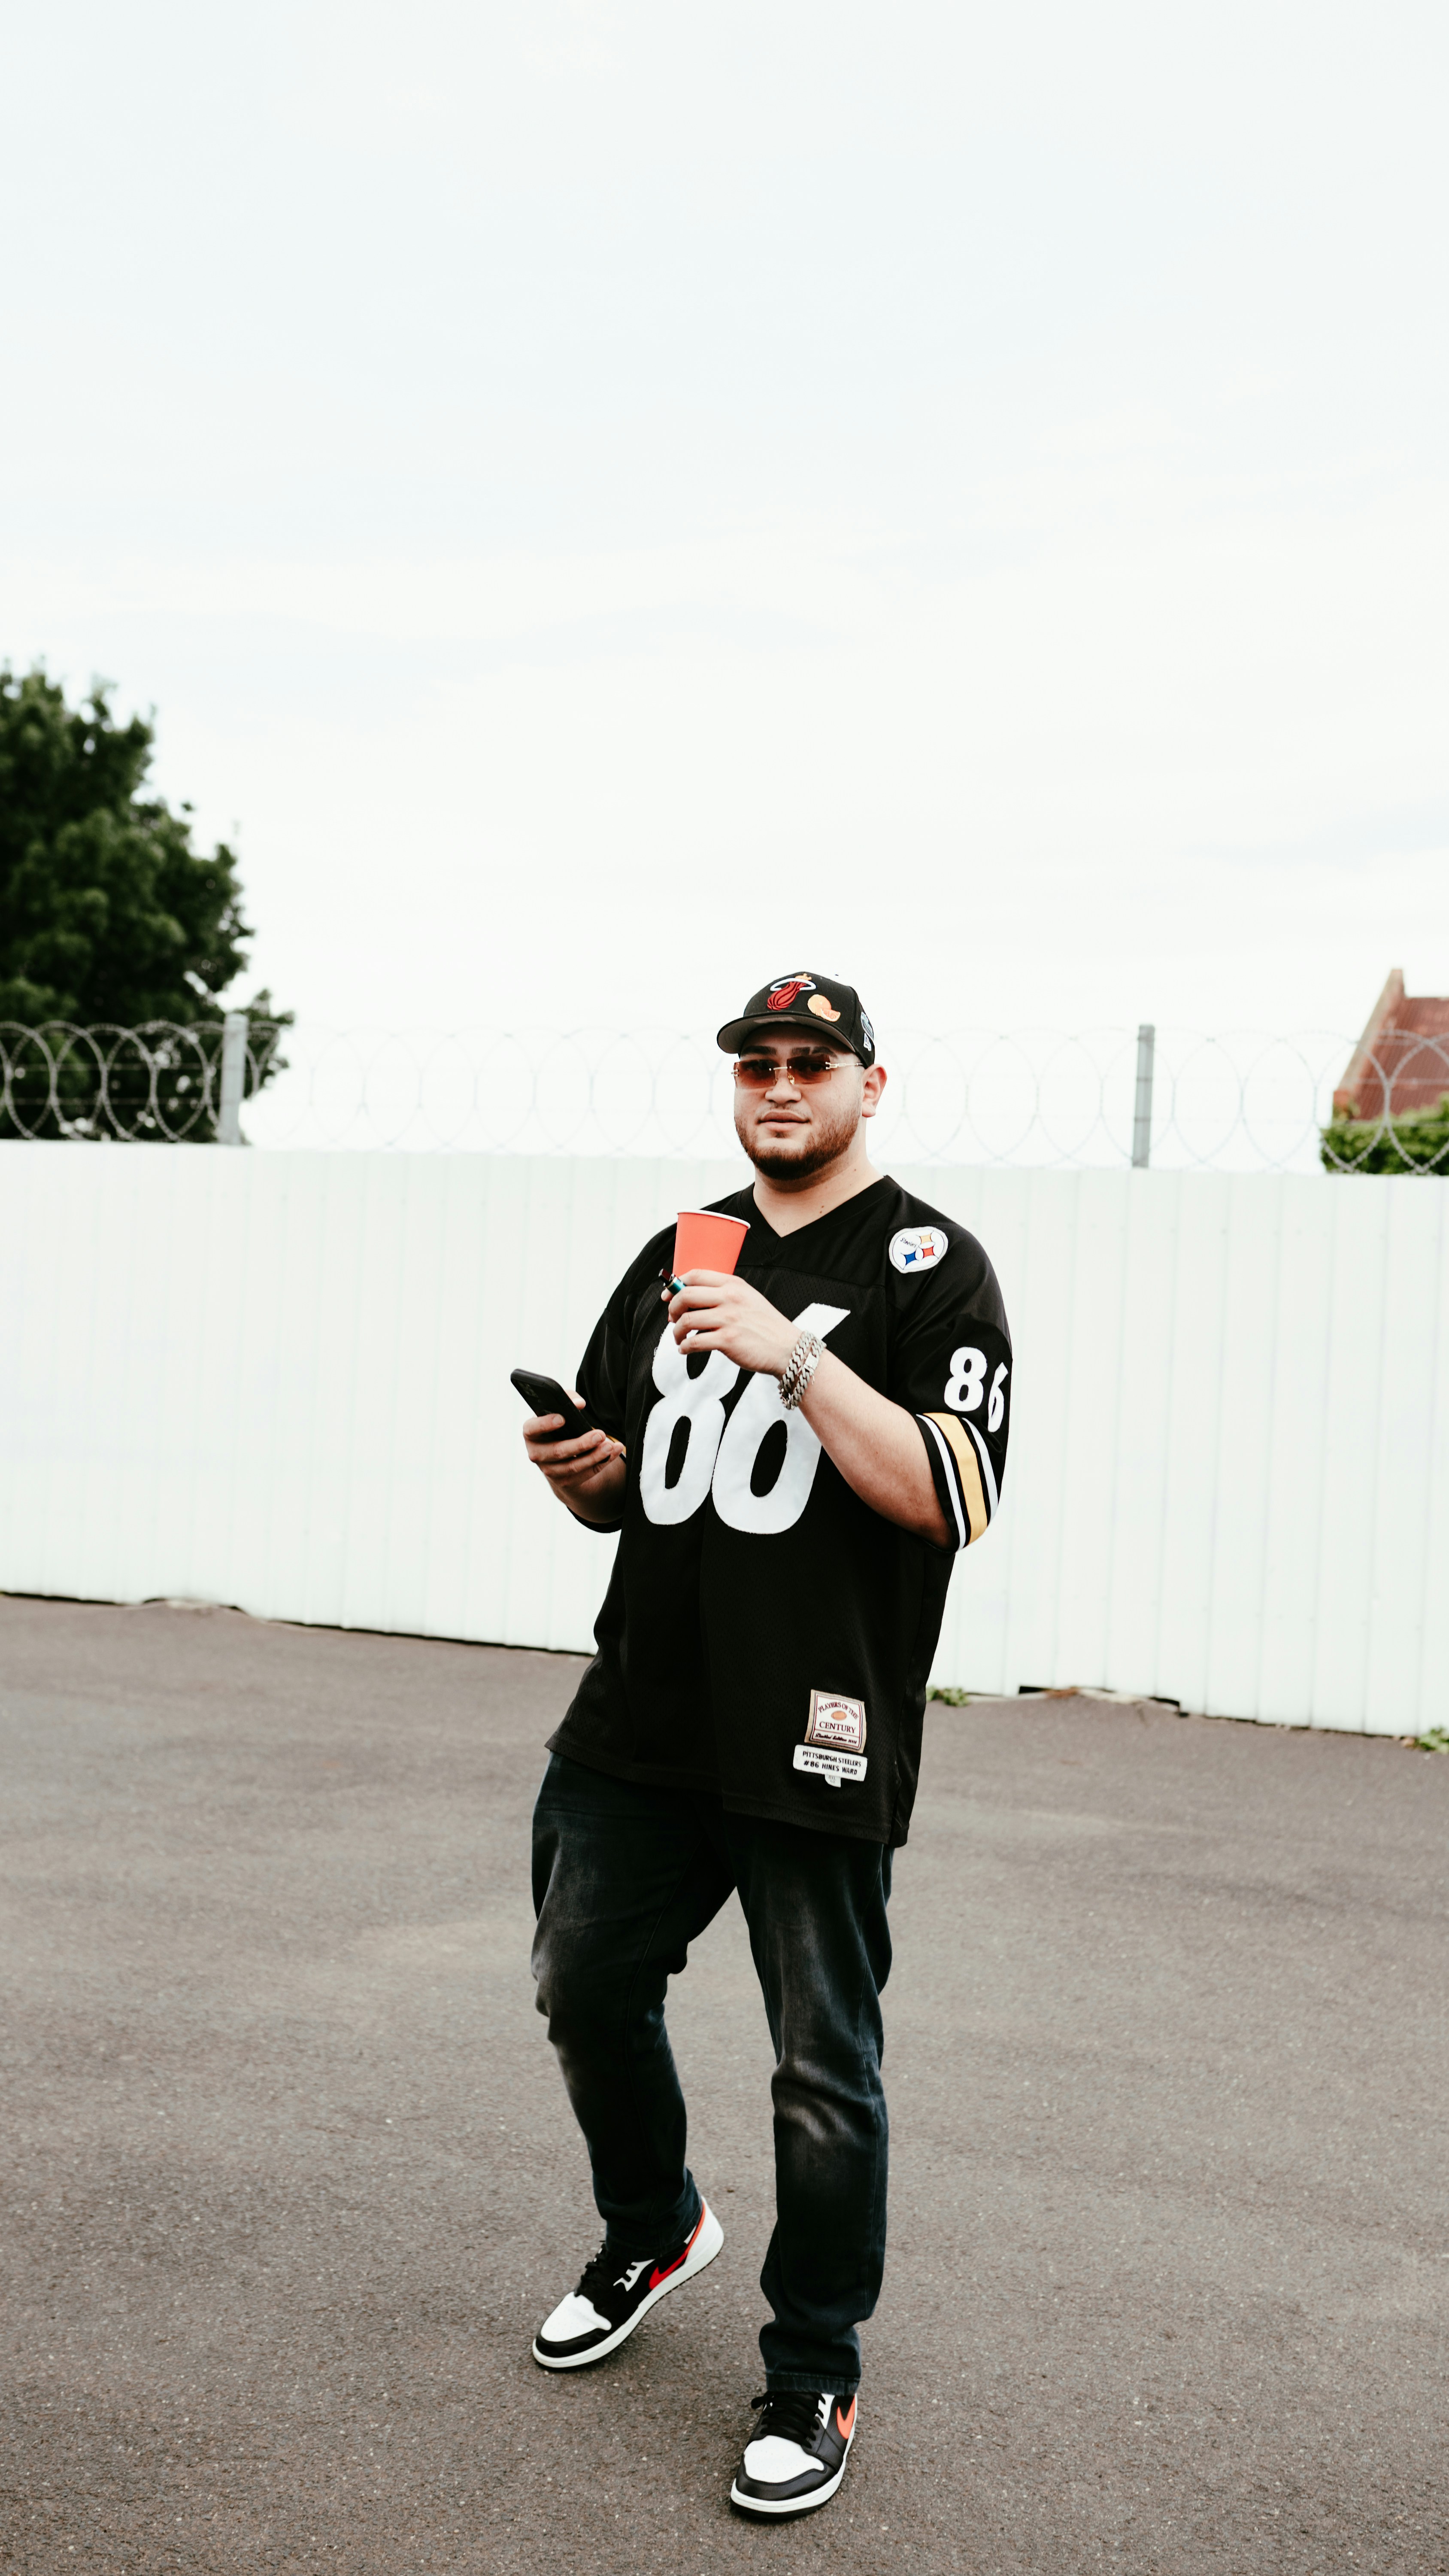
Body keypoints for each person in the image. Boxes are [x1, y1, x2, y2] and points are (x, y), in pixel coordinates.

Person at [520, 971, 1012, 2521]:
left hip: (816, 1726)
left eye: (812, 1061)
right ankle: (654, 2226)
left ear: (871, 1082)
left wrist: (795, 1357)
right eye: (758, 1064)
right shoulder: (682, 1250)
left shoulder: (934, 1266)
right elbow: (630, 1480)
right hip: (642, 1711)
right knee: (583, 1982)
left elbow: (954, 1494)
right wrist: (581, 1470)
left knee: (821, 2069)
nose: (782, 1085)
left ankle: (814, 2370)